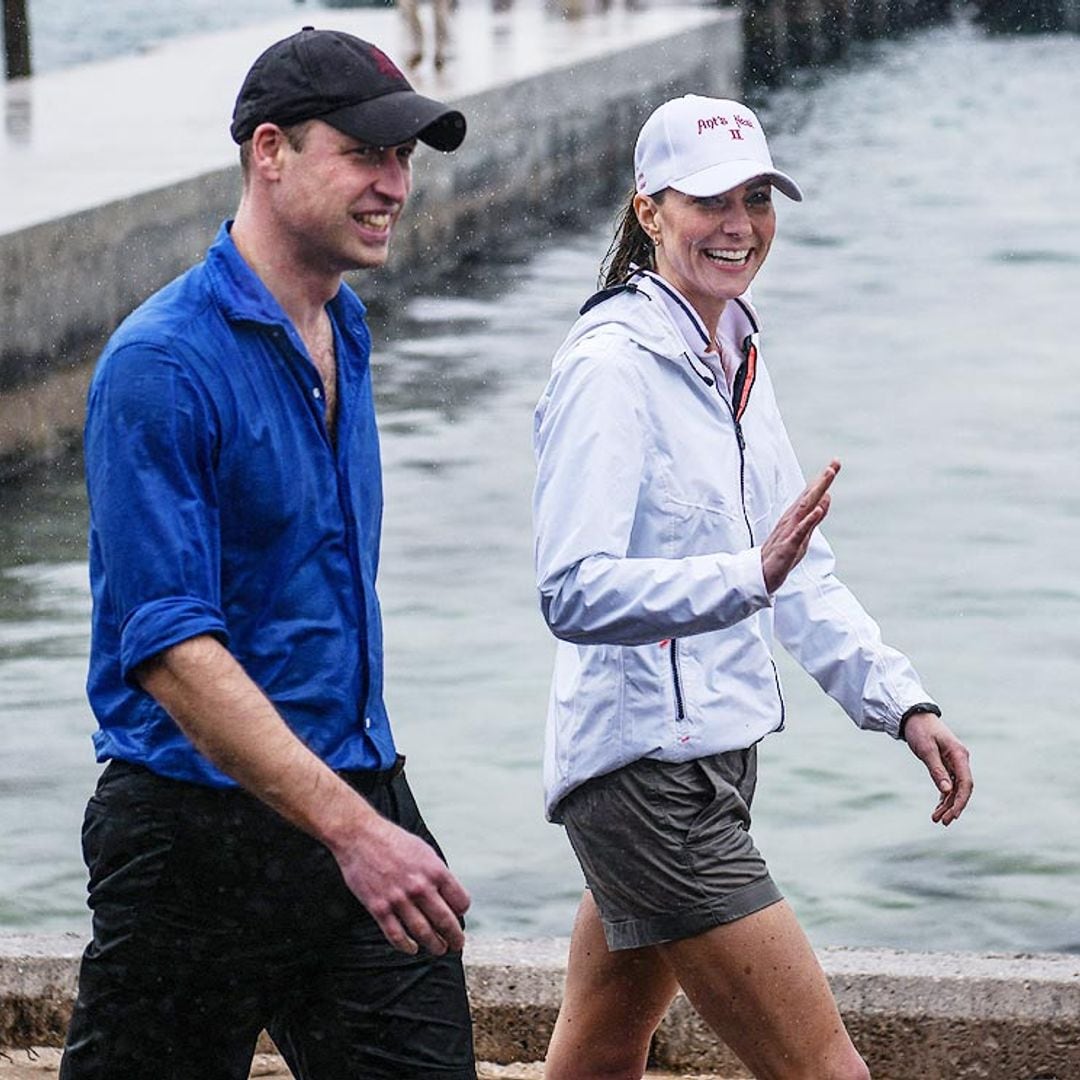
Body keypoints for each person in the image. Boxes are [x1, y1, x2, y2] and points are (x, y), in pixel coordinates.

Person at [60, 27, 475, 1080]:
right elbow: (167, 646)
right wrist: (354, 834)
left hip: (359, 792)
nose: (394, 184)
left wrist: (362, 822)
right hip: (193, 842)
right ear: (270, 151)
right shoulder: (160, 363)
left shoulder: (348, 327)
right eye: (368, 154)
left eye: (405, 159)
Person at [531, 94, 974, 1080]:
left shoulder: (733, 351)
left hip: (712, 762)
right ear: (649, 210)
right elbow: (572, 590)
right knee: (826, 1067)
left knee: (599, 1052)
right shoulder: (611, 370)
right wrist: (745, 576)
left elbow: (797, 571)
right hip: (647, 776)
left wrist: (902, 702)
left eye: (757, 198)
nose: (740, 226)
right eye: (709, 201)